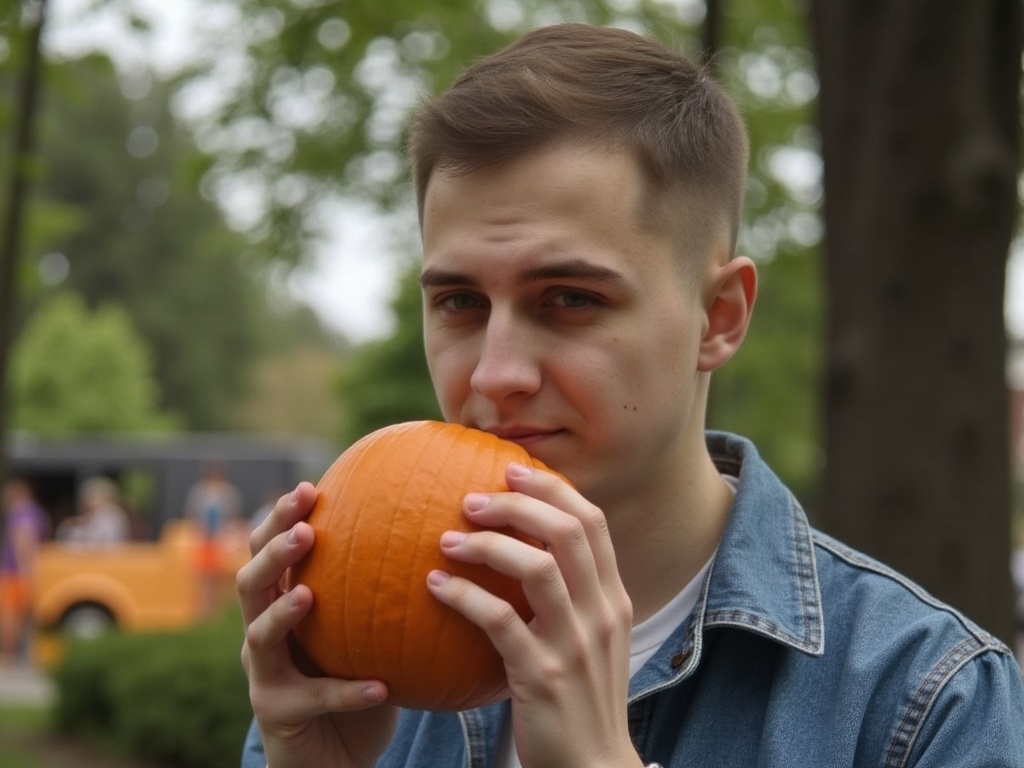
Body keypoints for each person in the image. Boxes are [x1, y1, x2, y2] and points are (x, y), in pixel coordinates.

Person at [238, 23, 1024, 768]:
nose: (494, 375)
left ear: (719, 317)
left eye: (570, 299)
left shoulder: (929, 700)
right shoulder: (362, 678)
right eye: (461, 303)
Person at [184, 460, 243, 617]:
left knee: (217, 577)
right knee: (202, 576)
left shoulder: (228, 493)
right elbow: (192, 515)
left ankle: (215, 611)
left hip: (220, 540)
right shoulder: (199, 492)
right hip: (203, 540)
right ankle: (202, 611)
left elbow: (232, 516)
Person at [1, 477, 48, 668]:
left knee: (10, 618)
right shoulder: (31, 512)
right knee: (26, 619)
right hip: (20, 573)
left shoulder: (23, 513)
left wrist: (26, 573)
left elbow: (23, 542)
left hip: (16, 574)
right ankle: (28, 659)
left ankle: (6, 660)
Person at [57, 475, 131, 546]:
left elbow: (106, 543)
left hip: (110, 558)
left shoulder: (112, 515)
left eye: (92, 497)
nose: (86, 502)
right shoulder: (80, 521)